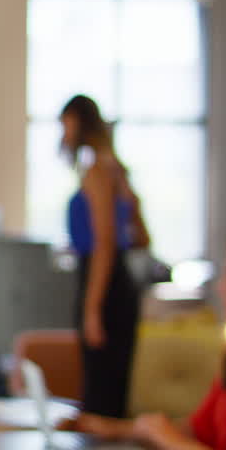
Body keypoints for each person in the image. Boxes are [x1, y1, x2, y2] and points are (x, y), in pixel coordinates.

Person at [62, 245, 226, 450]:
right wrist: (120, 430)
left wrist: (177, 446)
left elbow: (186, 442)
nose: (221, 287)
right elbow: (197, 427)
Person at [61, 94, 151, 418]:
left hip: (104, 286)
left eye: (65, 125)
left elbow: (105, 244)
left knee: (101, 396)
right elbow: (141, 239)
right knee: (108, 391)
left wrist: (92, 309)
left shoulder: (97, 171)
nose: (63, 134)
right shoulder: (114, 171)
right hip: (117, 283)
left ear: (77, 123)